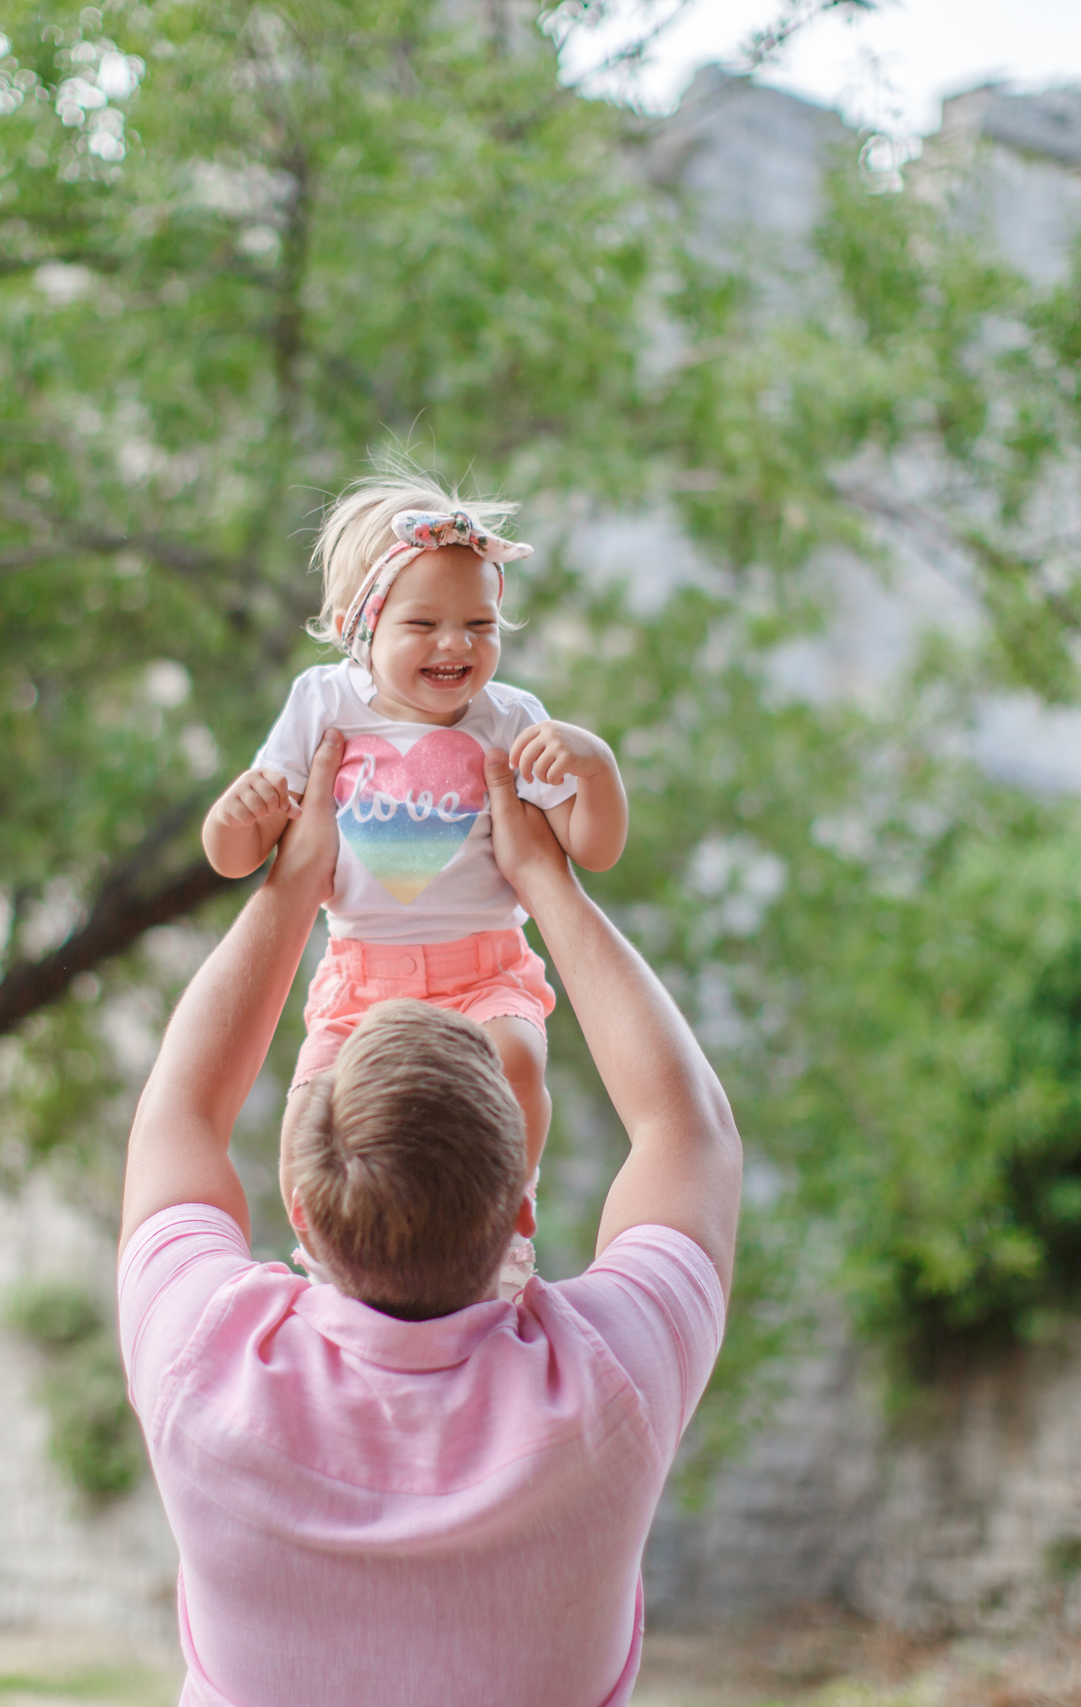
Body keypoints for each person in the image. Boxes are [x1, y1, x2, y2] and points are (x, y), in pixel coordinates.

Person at [120, 726, 742, 1707]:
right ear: (522, 1199)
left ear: (299, 1204)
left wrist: (290, 889)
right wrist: (546, 880)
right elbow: (688, 1129)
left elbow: (178, 1113)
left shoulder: (205, 1366)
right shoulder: (609, 1383)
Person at [200, 472, 630, 1297]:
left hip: (484, 968)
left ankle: (505, 1212)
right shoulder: (322, 703)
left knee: (515, 1059)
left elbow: (592, 848)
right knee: (311, 1121)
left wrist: (596, 769)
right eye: (424, 624)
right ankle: (332, 1261)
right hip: (365, 977)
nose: (457, 646)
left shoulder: (509, 717)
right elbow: (235, 855)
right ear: (354, 629)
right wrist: (237, 812)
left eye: (480, 624)